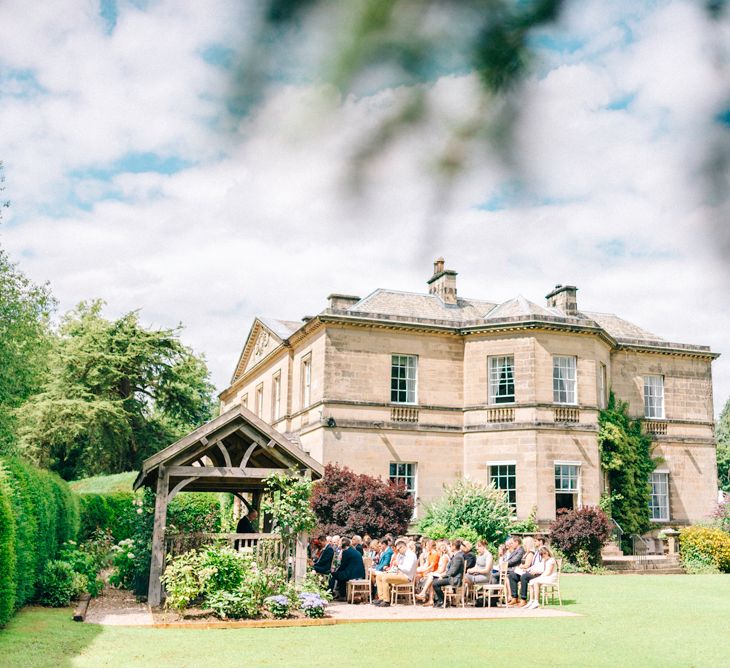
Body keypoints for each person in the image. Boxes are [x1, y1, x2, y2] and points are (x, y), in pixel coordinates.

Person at [373, 539, 417, 607]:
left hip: (406, 577)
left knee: (385, 578)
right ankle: (381, 598)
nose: (398, 551)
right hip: (398, 574)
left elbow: (408, 570)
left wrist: (398, 565)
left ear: (402, 547)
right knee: (379, 576)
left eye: (398, 550)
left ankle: (386, 601)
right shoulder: (401, 554)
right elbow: (396, 567)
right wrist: (390, 571)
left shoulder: (411, 555)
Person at [432, 540, 465, 608]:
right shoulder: (456, 556)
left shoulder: (458, 557)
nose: (450, 547)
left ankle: (444, 601)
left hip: (455, 579)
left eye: (451, 546)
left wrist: (443, 576)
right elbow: (450, 569)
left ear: (454, 547)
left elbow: (452, 571)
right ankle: (439, 600)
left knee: (435, 583)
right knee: (434, 580)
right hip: (451, 577)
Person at [508, 536, 536, 605]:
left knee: (524, 577)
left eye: (525, 544)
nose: (523, 545)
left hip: (529, 573)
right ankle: (514, 597)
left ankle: (523, 599)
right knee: (512, 575)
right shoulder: (526, 553)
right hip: (523, 571)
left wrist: (520, 566)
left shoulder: (531, 553)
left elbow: (527, 565)